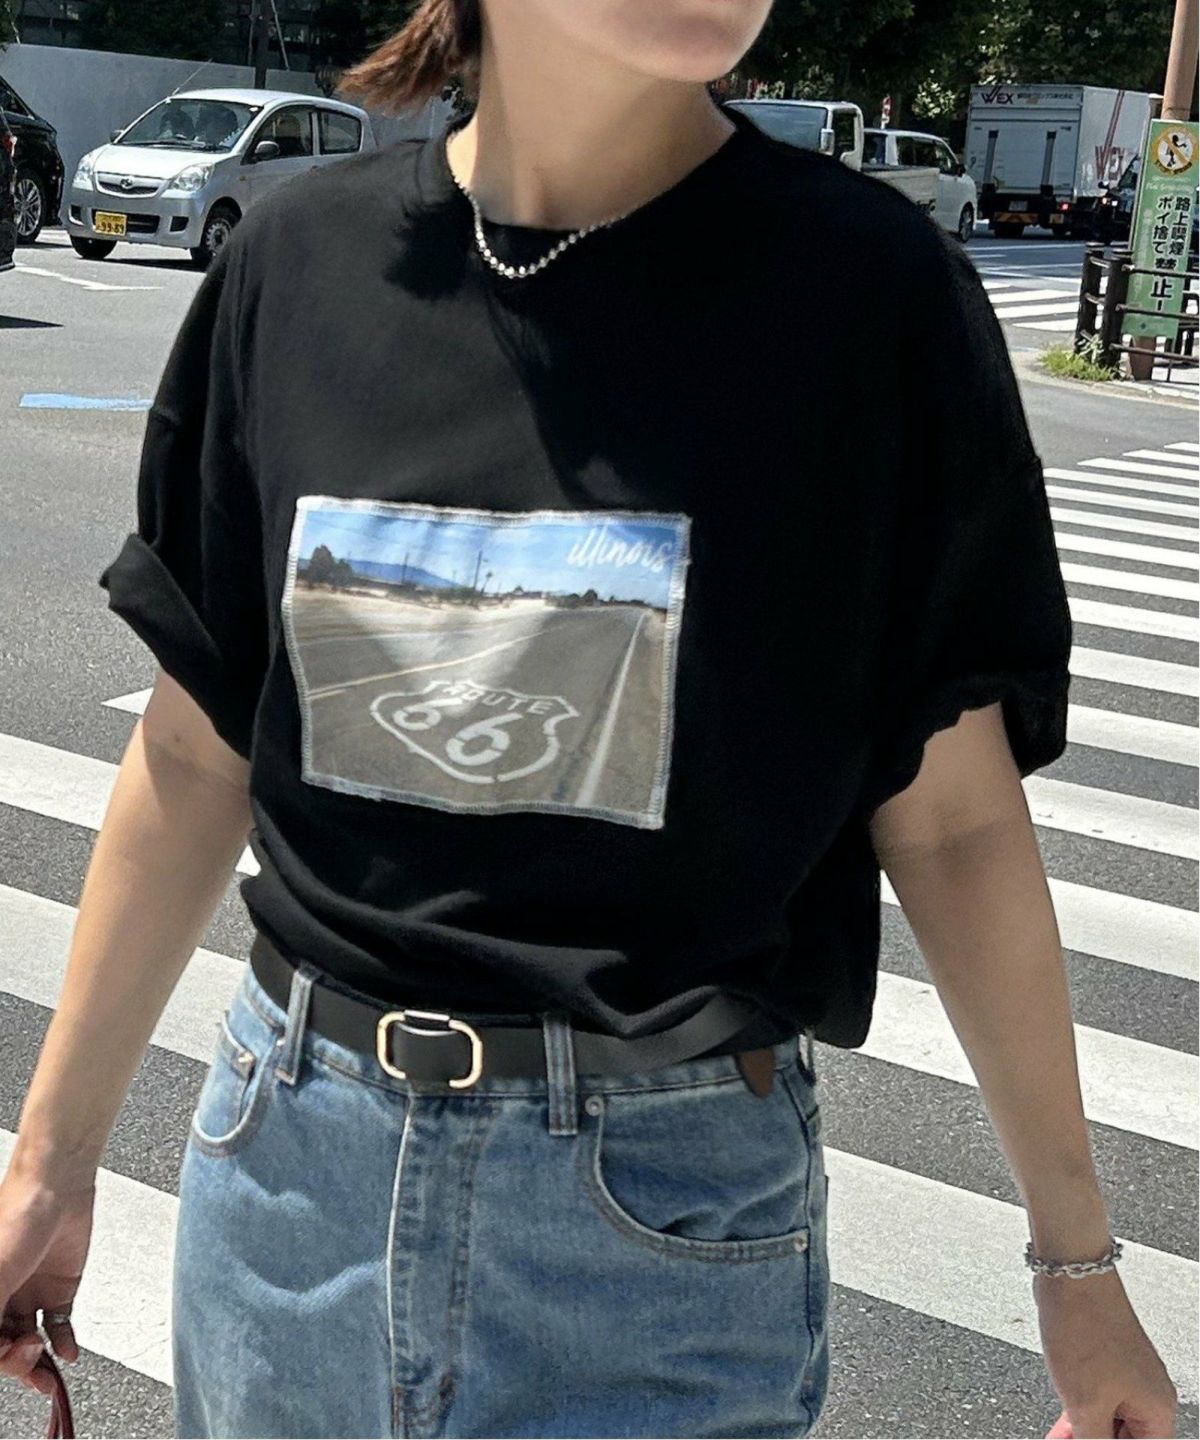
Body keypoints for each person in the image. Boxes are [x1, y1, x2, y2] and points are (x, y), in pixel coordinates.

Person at [0, 1, 1179, 1437]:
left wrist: (1076, 1264)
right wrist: (50, 1162)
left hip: (660, 1232)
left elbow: (956, 826)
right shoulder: (301, 264)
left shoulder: (865, 295)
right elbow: (196, 755)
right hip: (289, 1188)